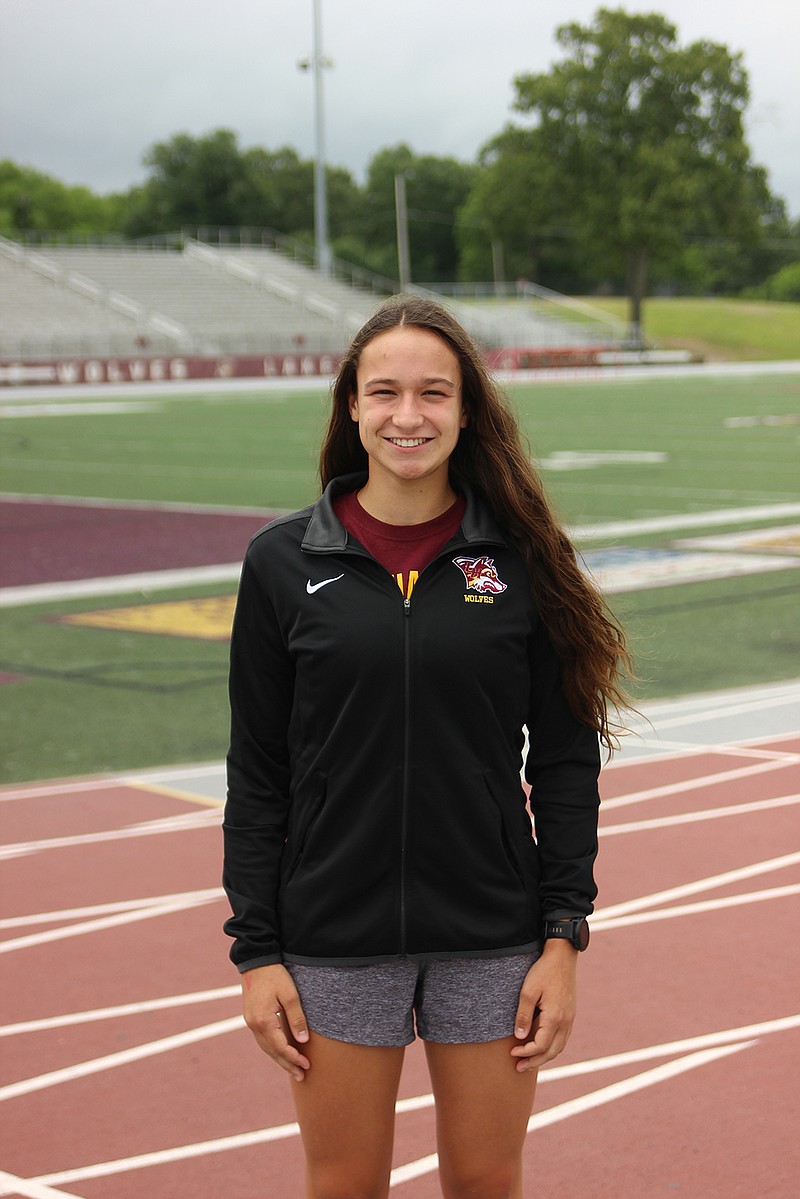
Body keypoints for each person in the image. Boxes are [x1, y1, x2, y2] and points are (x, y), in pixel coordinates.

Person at [223, 295, 631, 1199]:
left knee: (487, 1181)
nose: (409, 415)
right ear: (353, 409)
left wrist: (563, 935)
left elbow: (564, 760)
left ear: (466, 410)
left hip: (492, 932)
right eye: (386, 392)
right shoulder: (281, 564)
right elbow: (257, 771)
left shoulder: (521, 559)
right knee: (345, 1185)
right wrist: (256, 953)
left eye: (434, 393)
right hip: (331, 932)